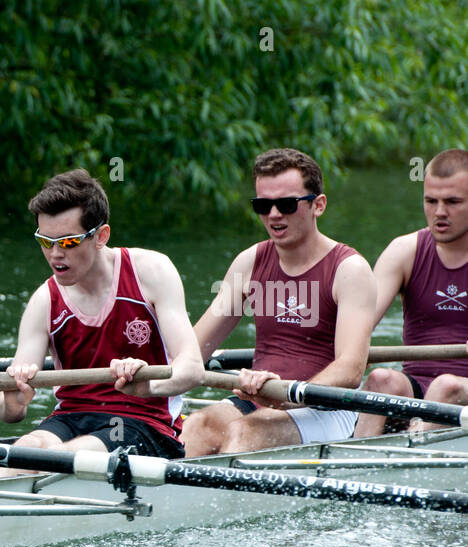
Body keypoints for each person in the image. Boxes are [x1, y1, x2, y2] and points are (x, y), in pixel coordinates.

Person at [0, 169, 203, 476]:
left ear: (101, 236)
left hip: (144, 424)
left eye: (69, 242)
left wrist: (146, 386)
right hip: (70, 417)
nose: (55, 254)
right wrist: (13, 400)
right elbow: (9, 414)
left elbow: (192, 369)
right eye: (45, 241)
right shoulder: (43, 301)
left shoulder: (151, 271)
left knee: (52, 460)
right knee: (24, 454)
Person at [181, 148, 377, 456]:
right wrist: (139, 365)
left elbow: (350, 369)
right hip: (259, 398)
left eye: (286, 204)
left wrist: (287, 395)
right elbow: (192, 348)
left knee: (247, 432)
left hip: (324, 408)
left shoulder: (350, 270)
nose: (274, 214)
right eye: (263, 205)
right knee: (196, 425)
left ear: (318, 205)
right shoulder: (249, 263)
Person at [353, 148, 468, 436]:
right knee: (381, 380)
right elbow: (357, 329)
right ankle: (353, 465)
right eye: (431, 201)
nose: (439, 212)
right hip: (416, 387)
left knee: (446, 386)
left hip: (461, 390)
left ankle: (415, 455)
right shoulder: (404, 251)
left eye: (453, 202)